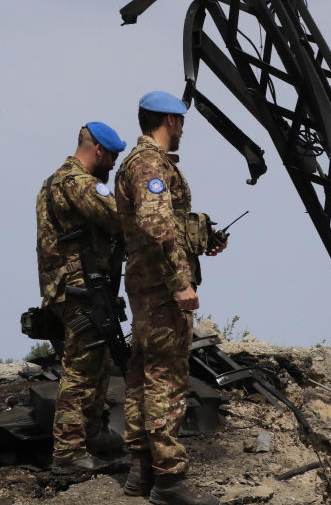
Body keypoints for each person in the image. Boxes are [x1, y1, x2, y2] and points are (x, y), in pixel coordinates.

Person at [114, 92, 225, 504]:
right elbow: (157, 223)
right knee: (165, 378)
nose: (182, 131)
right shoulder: (149, 163)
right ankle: (170, 482)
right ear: (170, 121)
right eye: (181, 123)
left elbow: (167, 224)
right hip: (160, 286)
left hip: (147, 283)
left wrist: (202, 239)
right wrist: (181, 281)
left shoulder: (140, 164)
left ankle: (141, 472)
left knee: (143, 373)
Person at [35, 122, 128, 474]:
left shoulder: (54, 181)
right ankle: (68, 453)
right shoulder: (76, 182)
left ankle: (93, 432)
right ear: (98, 150)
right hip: (79, 287)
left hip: (72, 285)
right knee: (80, 368)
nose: (115, 164)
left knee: (99, 361)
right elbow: (119, 216)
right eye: (113, 156)